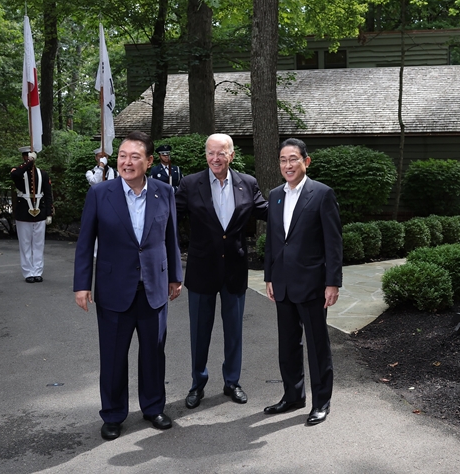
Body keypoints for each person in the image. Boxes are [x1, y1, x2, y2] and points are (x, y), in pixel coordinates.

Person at [73, 131, 183, 441]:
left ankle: (153, 407)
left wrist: (175, 276)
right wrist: (82, 284)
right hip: (113, 289)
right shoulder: (100, 193)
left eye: (135, 157)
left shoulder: (164, 192)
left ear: (149, 161)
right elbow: (85, 242)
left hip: (154, 288)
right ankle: (112, 414)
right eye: (122, 155)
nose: (126, 161)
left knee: (153, 353)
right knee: (112, 357)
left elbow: (171, 237)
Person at [175, 133, 268, 409]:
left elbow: (267, 210)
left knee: (234, 332)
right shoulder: (190, 184)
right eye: (210, 153)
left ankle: (232, 382)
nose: (215, 158)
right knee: (199, 333)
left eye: (221, 153)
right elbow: (168, 215)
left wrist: (299, 199)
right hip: (202, 270)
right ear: (206, 155)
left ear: (232, 155)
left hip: (234, 271)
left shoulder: (247, 183)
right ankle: (197, 384)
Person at [263, 137, 343, 426]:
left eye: (293, 159)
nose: (288, 165)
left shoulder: (322, 194)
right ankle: (293, 395)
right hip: (282, 283)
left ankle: (321, 401)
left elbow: (333, 243)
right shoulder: (275, 195)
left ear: (305, 161)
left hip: (312, 284)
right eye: (283, 160)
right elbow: (273, 240)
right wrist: (269, 276)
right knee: (288, 344)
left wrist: (332, 283)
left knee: (316, 344)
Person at [10, 146, 53, 283]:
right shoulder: (18, 172)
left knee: (39, 244)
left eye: (31, 156)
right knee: (25, 243)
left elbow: (48, 194)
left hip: (39, 212)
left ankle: (37, 271)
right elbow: (15, 175)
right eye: (27, 156)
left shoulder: (43, 174)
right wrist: (28, 163)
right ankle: (28, 272)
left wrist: (49, 213)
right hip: (24, 213)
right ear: (24, 157)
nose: (29, 158)